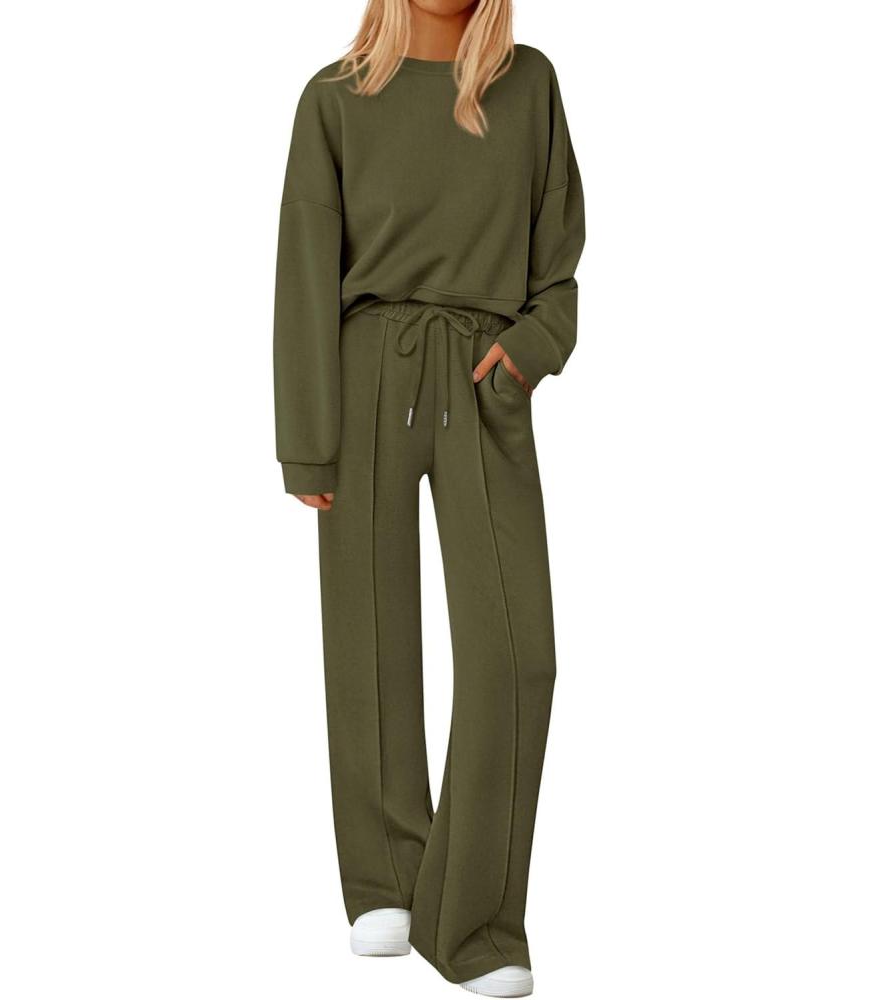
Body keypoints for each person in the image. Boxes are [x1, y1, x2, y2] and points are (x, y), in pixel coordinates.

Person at [272, 1, 584, 994]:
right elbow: (303, 272)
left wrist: (529, 352)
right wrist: (307, 442)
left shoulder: (528, 84)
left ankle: (474, 917)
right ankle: (384, 876)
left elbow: (559, 267)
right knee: (369, 630)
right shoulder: (332, 99)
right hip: (365, 367)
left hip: (482, 376)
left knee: (518, 654)